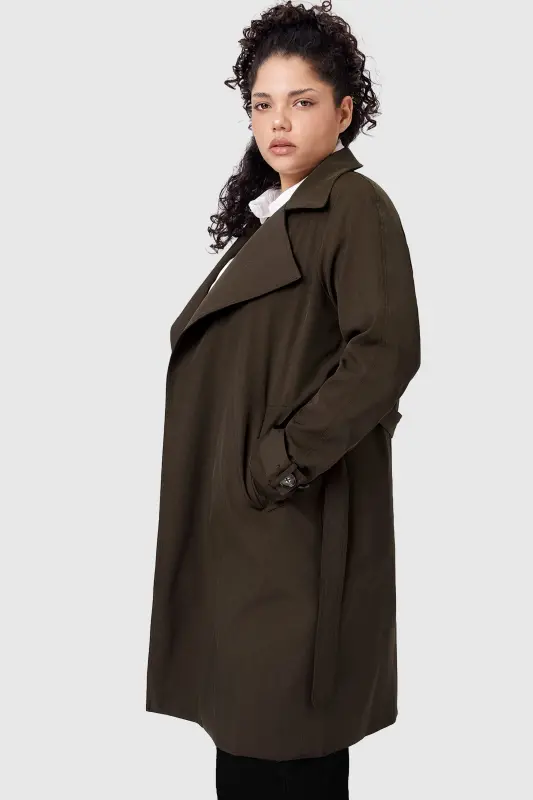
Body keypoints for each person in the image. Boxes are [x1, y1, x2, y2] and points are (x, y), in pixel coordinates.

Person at [145, 1, 421, 797]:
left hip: (293, 519)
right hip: (245, 524)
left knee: (284, 743)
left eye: (301, 101)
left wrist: (281, 462)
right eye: (262, 103)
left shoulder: (353, 207)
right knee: (248, 740)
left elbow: (383, 352)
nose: (278, 121)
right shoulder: (272, 217)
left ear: (344, 111)